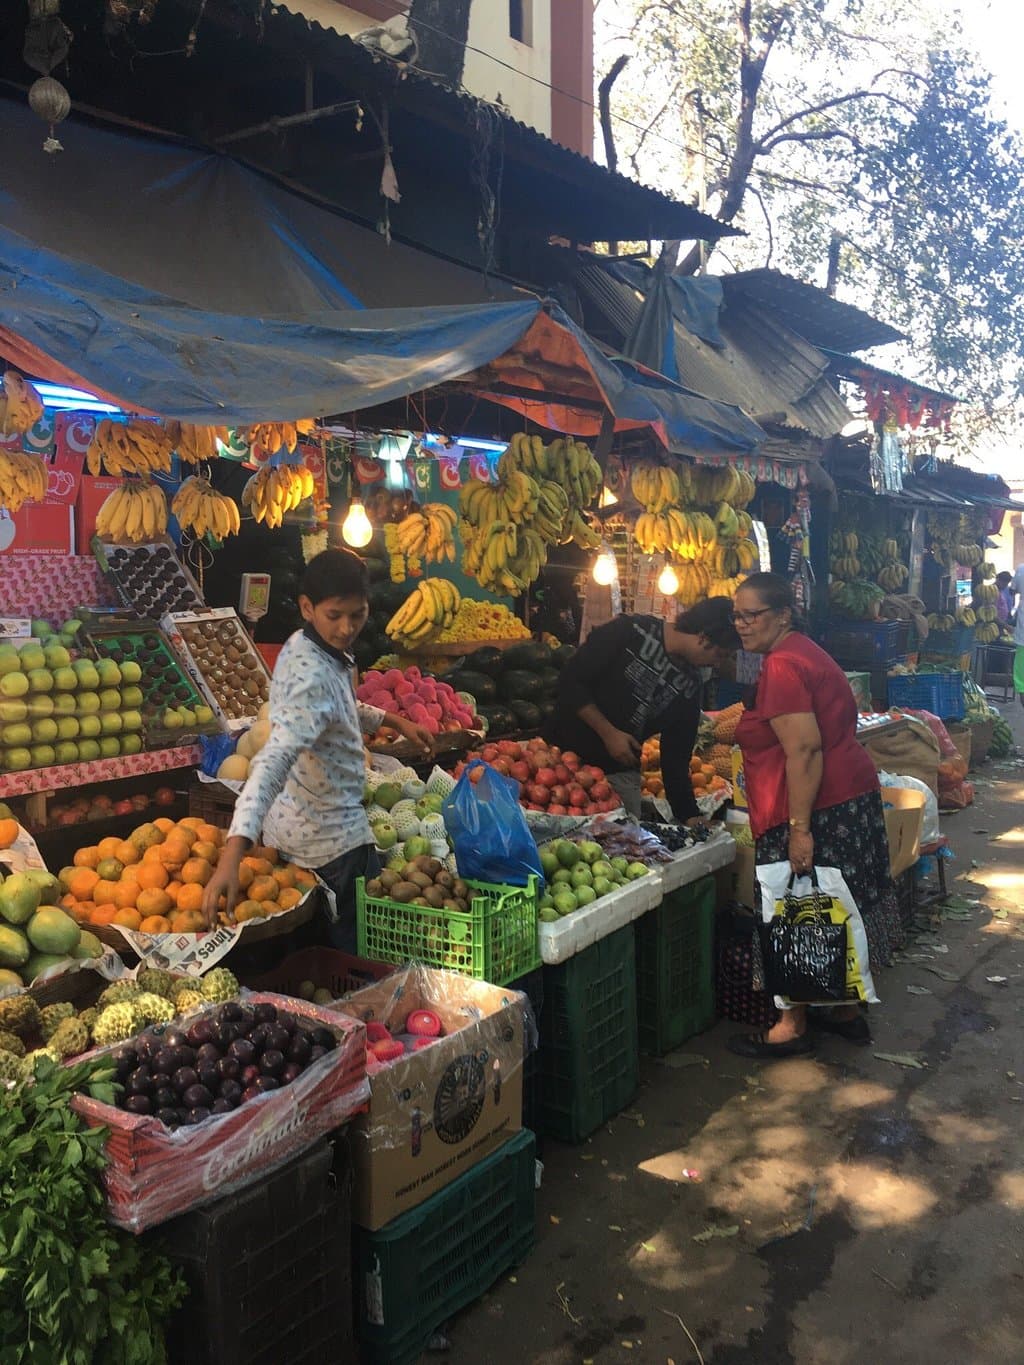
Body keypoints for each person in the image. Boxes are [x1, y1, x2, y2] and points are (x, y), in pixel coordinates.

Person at [202, 550, 433, 948]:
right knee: (354, 950)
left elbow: (342, 703)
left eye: (357, 615)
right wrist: (232, 854)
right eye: (335, 615)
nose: (347, 628)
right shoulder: (308, 675)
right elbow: (272, 764)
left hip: (322, 829)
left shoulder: (315, 646)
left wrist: (395, 722)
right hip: (326, 849)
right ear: (307, 607)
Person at [728, 573, 900, 1059]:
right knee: (832, 905)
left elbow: (804, 750)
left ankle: (792, 1025)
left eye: (751, 614)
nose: (741, 624)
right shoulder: (800, 650)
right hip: (847, 794)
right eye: (736, 615)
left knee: (796, 908)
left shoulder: (783, 665)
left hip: (812, 804)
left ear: (783, 614)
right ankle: (843, 1012)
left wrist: (799, 830)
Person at [548, 600, 740, 825]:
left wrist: (690, 815)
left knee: (623, 840)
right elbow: (570, 681)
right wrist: (608, 733)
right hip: (560, 757)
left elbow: (676, 756)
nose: (717, 664)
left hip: (617, 773)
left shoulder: (691, 685)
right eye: (721, 655)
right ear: (704, 638)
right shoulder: (629, 631)